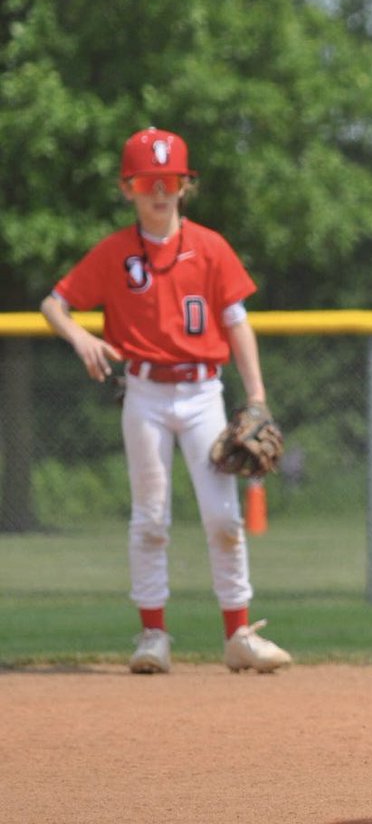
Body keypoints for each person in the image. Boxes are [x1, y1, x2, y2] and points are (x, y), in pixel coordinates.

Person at [41, 127, 292, 676]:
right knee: (150, 518)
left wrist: (256, 396)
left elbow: (237, 323)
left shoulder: (211, 247)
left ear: (186, 187)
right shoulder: (113, 253)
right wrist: (80, 336)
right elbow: (54, 304)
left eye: (171, 180)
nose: (160, 191)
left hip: (204, 391)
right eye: (148, 181)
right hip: (145, 392)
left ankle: (239, 635)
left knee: (223, 518)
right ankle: (153, 636)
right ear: (127, 187)